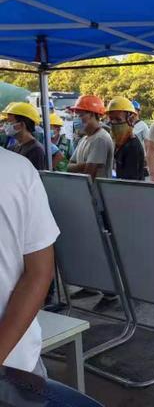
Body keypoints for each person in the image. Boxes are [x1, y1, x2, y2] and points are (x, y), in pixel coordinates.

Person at [0, 148, 59, 378]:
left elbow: (39, 273)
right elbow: (40, 272)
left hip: (14, 361)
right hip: (16, 358)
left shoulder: (18, 169)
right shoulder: (18, 168)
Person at [67, 95, 113, 180]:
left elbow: (88, 174)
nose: (77, 119)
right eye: (75, 116)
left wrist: (79, 166)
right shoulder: (83, 139)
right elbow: (68, 167)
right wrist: (84, 165)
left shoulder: (100, 139)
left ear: (92, 114)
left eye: (80, 115)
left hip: (95, 189)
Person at [106, 96, 145, 181]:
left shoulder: (132, 147)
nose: (113, 123)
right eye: (111, 119)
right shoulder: (121, 143)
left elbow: (129, 183)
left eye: (118, 120)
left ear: (130, 120)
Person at [4, 102, 46, 170]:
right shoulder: (14, 147)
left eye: (10, 122)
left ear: (22, 124)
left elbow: (35, 175)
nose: (6, 126)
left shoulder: (36, 150)